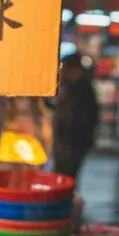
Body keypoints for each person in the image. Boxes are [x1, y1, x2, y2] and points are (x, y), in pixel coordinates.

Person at [52, 53, 99, 181]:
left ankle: (65, 198)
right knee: (61, 173)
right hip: (64, 137)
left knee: (68, 173)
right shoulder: (67, 85)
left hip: (75, 139)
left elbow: (88, 116)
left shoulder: (82, 88)